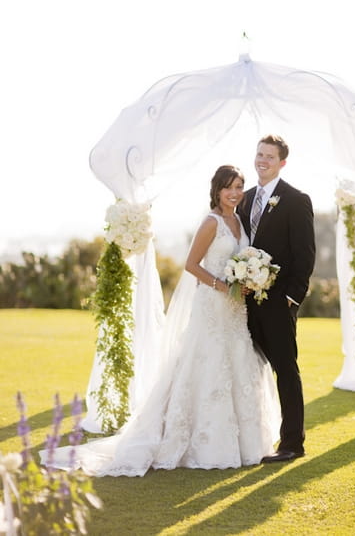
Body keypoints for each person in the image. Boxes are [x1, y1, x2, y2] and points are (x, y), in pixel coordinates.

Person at [41, 165, 280, 475]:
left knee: (238, 364)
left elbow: (241, 260)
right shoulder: (212, 222)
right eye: (229, 187)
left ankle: (247, 443)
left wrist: (246, 278)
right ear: (217, 190)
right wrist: (221, 284)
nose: (235, 193)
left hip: (236, 309)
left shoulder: (239, 221)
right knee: (207, 367)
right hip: (212, 305)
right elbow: (192, 265)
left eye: (239, 186)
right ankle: (204, 442)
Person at [238, 135, 315, 462]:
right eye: (259, 154)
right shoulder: (244, 198)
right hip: (242, 301)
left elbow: (305, 255)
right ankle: (246, 437)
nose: (262, 160)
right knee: (245, 368)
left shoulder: (296, 200)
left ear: (282, 162)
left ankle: (292, 444)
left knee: (285, 369)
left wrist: (292, 298)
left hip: (277, 302)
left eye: (269, 156)